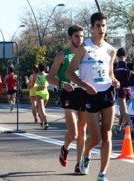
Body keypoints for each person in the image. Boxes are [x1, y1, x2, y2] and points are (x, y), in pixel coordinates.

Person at [66, 12, 120, 181]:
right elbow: (69, 73)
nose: (101, 29)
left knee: (108, 134)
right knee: (95, 137)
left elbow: (110, 73)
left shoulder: (111, 50)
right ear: (91, 27)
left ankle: (102, 173)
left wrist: (114, 80)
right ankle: (87, 153)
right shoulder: (84, 48)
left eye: (104, 25)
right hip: (90, 95)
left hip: (107, 93)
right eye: (98, 26)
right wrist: (85, 85)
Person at [46, 24, 87, 174]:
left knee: (82, 131)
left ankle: (79, 164)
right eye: (77, 36)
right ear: (70, 38)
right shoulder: (62, 56)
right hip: (68, 94)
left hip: (84, 93)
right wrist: (62, 84)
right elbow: (49, 77)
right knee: (74, 133)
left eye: (82, 36)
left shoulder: (86, 54)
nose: (80, 39)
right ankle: (65, 148)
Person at [113, 48, 134, 135]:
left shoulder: (115, 65)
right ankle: (119, 126)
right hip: (128, 89)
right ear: (125, 56)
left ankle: (130, 125)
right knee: (122, 110)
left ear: (117, 56)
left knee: (124, 110)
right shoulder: (129, 65)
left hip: (121, 89)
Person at [33, 62, 50, 130]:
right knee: (40, 108)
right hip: (46, 93)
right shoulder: (47, 75)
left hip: (39, 93)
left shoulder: (36, 75)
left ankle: (45, 123)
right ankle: (42, 122)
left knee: (41, 109)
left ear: (39, 68)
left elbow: (34, 83)